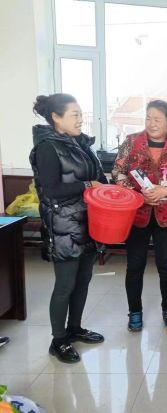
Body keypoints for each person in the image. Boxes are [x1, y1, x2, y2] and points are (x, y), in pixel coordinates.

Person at [30, 93, 108, 363]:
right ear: (56, 117)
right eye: (74, 114)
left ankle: (74, 328)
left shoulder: (81, 143)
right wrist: (88, 185)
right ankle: (58, 340)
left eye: (80, 114)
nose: (80, 119)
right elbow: (51, 190)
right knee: (65, 284)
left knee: (83, 279)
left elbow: (98, 178)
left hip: (89, 221)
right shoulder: (47, 147)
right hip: (63, 225)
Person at [112, 100, 167, 332]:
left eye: (157, 119)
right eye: (148, 118)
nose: (152, 123)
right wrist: (138, 195)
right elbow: (117, 171)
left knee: (166, 266)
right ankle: (134, 311)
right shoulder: (131, 141)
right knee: (135, 266)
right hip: (137, 213)